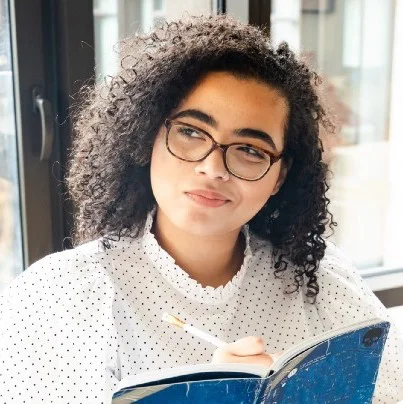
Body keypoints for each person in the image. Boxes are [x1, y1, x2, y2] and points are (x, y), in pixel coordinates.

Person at [0, 15, 402, 403]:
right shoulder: (60, 297)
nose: (212, 168)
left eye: (249, 150)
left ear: (280, 176)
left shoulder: (321, 279)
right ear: (146, 136)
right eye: (191, 132)